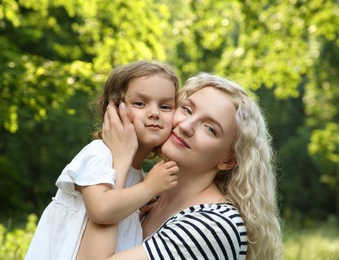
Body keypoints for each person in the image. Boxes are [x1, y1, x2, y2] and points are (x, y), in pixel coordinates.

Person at [97, 72, 283, 259]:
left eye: (210, 129)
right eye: (187, 110)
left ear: (228, 161)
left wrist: (119, 161)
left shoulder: (214, 225)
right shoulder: (147, 198)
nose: (186, 126)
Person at [25, 60, 180, 260]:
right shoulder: (98, 154)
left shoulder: (137, 176)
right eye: (140, 103)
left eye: (165, 106)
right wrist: (150, 187)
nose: (154, 113)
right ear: (115, 109)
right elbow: (102, 210)